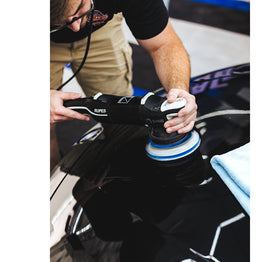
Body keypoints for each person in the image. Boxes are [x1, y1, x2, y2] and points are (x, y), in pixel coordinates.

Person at [50, 0, 197, 170]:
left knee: (122, 117)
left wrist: (179, 91)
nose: (75, 27)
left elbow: (163, 44)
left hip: (100, 31)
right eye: (66, 21)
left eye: (78, 11)